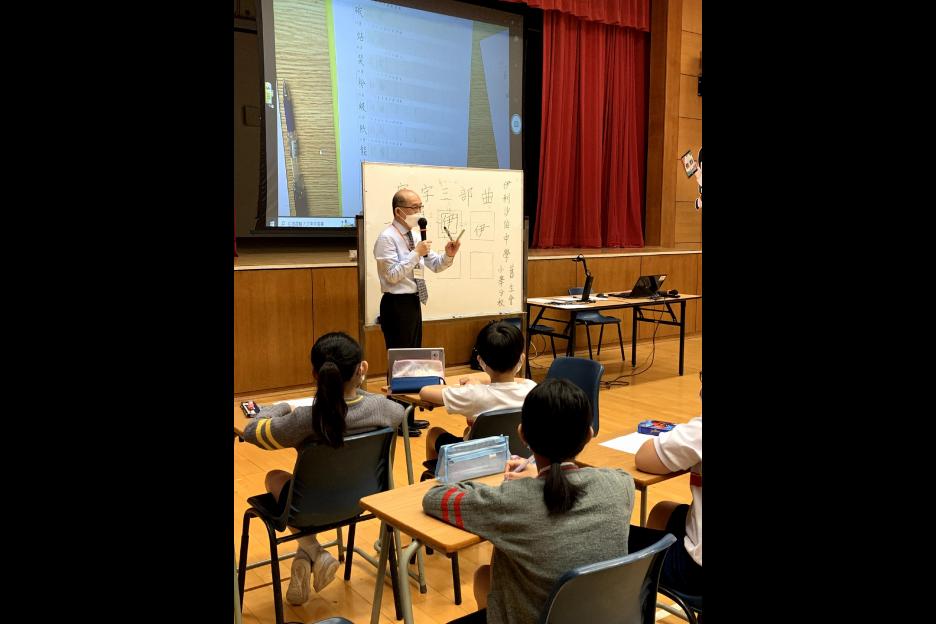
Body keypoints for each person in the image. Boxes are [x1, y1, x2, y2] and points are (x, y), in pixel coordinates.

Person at [422, 378, 635, 624]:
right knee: (484, 577)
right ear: (589, 435)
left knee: (485, 578)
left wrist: (521, 483)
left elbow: (435, 498)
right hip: (603, 616)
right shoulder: (621, 485)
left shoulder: (510, 501)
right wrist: (543, 476)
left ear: (522, 434)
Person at [242, 332, 404, 606]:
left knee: (274, 478)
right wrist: (359, 387)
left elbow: (253, 431)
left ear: (316, 375)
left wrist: (282, 406)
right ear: (361, 369)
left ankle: (315, 552)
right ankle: (306, 559)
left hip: (308, 508)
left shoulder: (306, 418)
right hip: (364, 502)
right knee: (306, 491)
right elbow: (392, 412)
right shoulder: (384, 409)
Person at [420, 321, 535, 466]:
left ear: (480, 361)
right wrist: (480, 382)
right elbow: (521, 381)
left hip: (475, 462)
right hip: (521, 460)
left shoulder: (473, 394)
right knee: (468, 429)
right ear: (521, 359)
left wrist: (474, 385)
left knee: (434, 433)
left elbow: (425, 391)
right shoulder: (531, 389)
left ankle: (437, 478)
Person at [628, 370, 702, 597]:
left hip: (696, 571)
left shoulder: (698, 432)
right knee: (663, 511)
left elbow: (644, 457)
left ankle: (636, 601)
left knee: (620, 538)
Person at [373, 188, 461, 350]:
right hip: (396, 304)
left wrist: (449, 255)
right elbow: (391, 275)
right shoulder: (387, 238)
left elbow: (435, 264)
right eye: (414, 207)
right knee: (401, 357)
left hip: (413, 301)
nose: (419, 212)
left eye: (420, 207)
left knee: (414, 354)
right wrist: (416, 253)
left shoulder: (415, 236)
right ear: (398, 211)